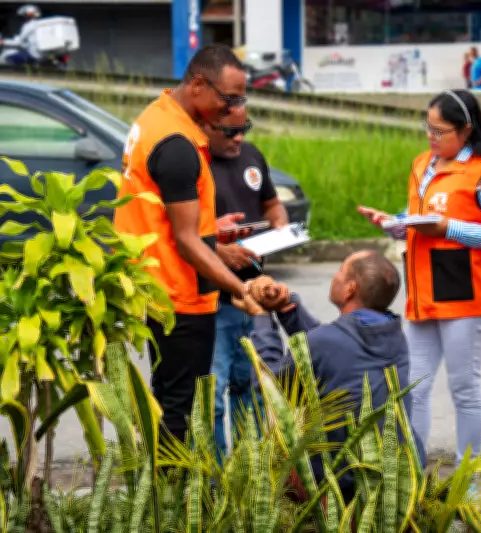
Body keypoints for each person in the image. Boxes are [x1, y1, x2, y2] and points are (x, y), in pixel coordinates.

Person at [114, 44, 256, 443]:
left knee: (172, 404)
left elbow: (161, 219)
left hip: (157, 286)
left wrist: (218, 244)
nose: (232, 110)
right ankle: (172, 502)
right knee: (180, 414)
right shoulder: (177, 145)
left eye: (241, 99)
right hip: (179, 297)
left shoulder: (156, 117)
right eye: (228, 99)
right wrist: (241, 287)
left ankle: (169, 497)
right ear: (198, 85)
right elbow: (186, 241)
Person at [357, 90, 481, 467]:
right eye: (428, 127)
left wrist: (449, 229)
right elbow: (416, 221)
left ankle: (466, 482)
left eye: (440, 131)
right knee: (415, 388)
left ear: (466, 130)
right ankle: (414, 474)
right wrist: (394, 224)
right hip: (422, 293)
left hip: (464, 294)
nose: (431, 137)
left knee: (464, 389)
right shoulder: (423, 164)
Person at [233, 251, 426, 501]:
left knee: (278, 453)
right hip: (401, 471)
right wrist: (288, 308)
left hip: (344, 482)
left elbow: (269, 386)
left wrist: (260, 320)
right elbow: (334, 346)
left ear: (350, 289)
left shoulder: (325, 343)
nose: (334, 277)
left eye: (339, 272)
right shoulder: (393, 334)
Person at [205, 107, 289, 457]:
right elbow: (180, 232)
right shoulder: (194, 163)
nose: (239, 138)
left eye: (245, 129)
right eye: (231, 132)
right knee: (214, 398)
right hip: (214, 299)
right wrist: (219, 250)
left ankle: (247, 470)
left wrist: (281, 227)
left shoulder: (252, 155)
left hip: (253, 297)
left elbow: (271, 205)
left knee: (250, 390)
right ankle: (215, 483)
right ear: (207, 125)